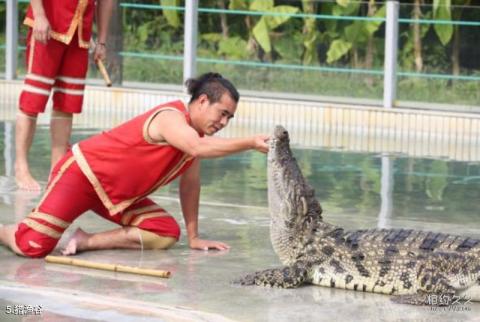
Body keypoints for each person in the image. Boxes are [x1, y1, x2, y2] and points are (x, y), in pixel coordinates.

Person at [0, 73, 270, 258]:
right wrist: (249, 142)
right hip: (82, 175)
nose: (224, 123)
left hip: (117, 197)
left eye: (229, 118)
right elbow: (197, 148)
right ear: (202, 101)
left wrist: (194, 237)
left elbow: (190, 185)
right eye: (222, 114)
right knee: (31, 246)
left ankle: (86, 240)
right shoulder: (171, 118)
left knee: (165, 233)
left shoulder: (194, 138)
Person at [15, 0, 114, 191]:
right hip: (47, 27)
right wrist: (40, 16)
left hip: (79, 34)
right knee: (32, 101)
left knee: (67, 105)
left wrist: (101, 40)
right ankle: (21, 167)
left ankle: (57, 170)